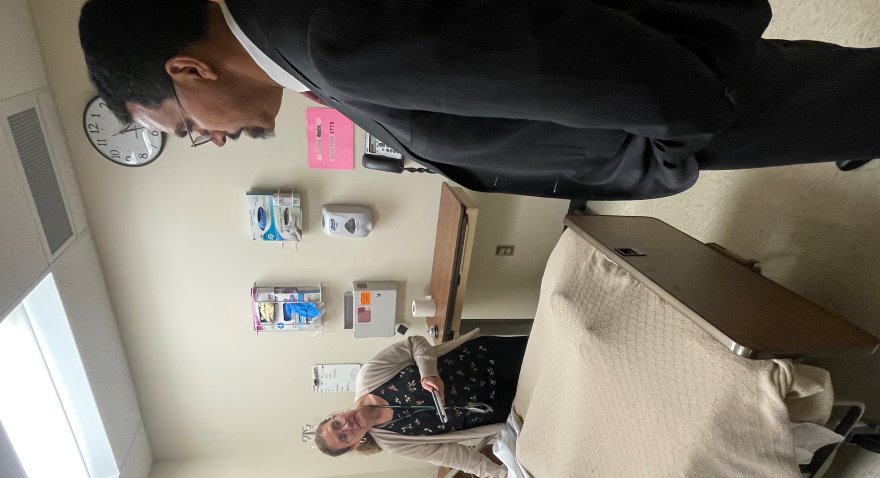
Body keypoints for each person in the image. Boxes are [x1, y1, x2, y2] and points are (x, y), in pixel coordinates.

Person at [78, 0, 879, 202]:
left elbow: (558, 63)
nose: (212, 140)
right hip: (659, 104)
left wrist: (683, 134)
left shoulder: (324, 40)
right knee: (833, 91)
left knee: (844, 101)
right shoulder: (293, 39)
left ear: (191, 71)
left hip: (672, 107)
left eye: (186, 130)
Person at [313, 330, 528, 478]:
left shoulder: (370, 375)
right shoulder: (394, 443)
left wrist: (429, 372)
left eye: (336, 424)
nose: (346, 427)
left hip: (488, 358)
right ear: (354, 445)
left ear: (337, 414)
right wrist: (500, 475)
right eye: (344, 437)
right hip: (496, 408)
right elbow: (451, 455)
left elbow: (414, 342)